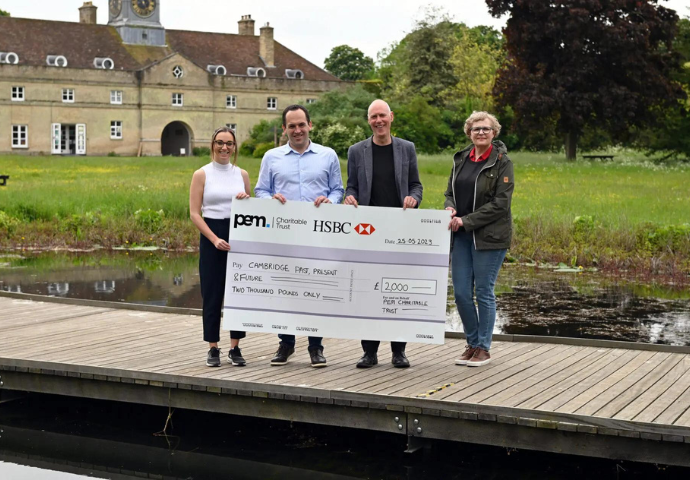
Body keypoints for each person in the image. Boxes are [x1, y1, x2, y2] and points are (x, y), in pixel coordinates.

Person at [255, 104, 344, 368]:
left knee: (316, 290)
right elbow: (260, 191)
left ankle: (316, 346)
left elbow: (338, 190)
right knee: (286, 289)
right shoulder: (271, 157)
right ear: (284, 129)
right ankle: (286, 343)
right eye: (291, 126)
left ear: (310, 125)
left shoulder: (328, 155)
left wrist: (329, 201)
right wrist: (271, 199)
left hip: (318, 235)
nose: (297, 130)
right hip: (285, 235)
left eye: (301, 124)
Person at [344, 99, 423, 369]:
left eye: (382, 116)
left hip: (399, 231)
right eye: (373, 117)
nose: (378, 121)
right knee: (368, 293)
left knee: (396, 292)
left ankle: (399, 351)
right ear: (369, 121)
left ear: (391, 117)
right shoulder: (356, 151)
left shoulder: (407, 148)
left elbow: (416, 185)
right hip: (367, 233)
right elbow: (350, 187)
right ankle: (369, 352)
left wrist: (413, 199)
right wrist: (350, 198)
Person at [445, 111, 514, 367]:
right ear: (469, 133)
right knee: (462, 293)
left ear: (494, 132)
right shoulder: (461, 159)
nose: (481, 132)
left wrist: (467, 220)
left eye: (486, 129)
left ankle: (483, 348)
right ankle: (472, 343)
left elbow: (501, 204)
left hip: (490, 237)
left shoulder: (502, 162)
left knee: (483, 291)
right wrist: (450, 208)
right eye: (476, 129)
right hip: (461, 236)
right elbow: (449, 191)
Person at [189, 127, 251, 367]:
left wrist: (247, 201)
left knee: (237, 293)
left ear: (235, 146)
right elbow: (195, 213)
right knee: (212, 293)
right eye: (220, 143)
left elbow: (250, 210)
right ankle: (213, 347)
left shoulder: (242, 174)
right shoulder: (202, 174)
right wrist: (213, 238)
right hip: (211, 235)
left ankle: (235, 347)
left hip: (237, 235)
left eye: (229, 143)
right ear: (212, 144)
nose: (224, 147)